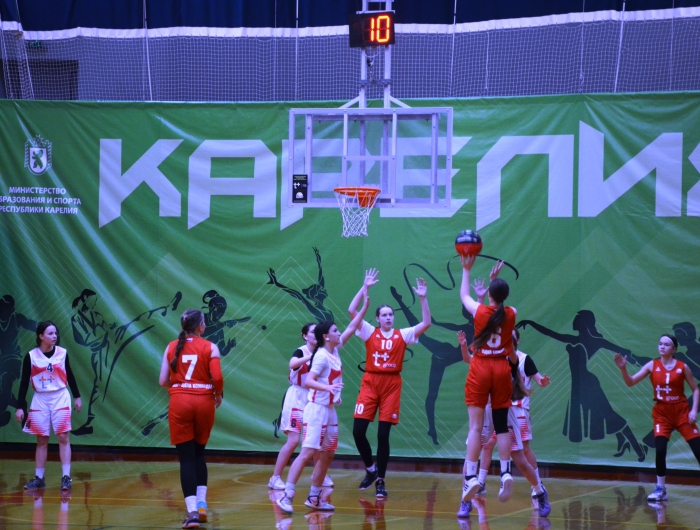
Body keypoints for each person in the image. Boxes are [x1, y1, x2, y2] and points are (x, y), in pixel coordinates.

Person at [276, 289, 370, 514]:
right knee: (308, 452)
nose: (339, 333)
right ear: (326, 336)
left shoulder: (334, 350)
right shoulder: (319, 355)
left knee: (328, 454)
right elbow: (309, 380)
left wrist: (365, 305)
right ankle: (287, 495)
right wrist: (327, 388)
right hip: (316, 410)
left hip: (329, 410)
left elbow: (352, 326)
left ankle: (314, 497)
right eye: (335, 330)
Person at [348, 268, 431, 498]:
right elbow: (352, 310)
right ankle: (370, 469)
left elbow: (426, 323)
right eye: (384, 315)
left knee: (383, 436)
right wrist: (364, 287)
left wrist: (423, 298)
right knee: (358, 431)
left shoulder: (402, 334)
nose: (388, 317)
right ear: (377, 318)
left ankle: (381, 481)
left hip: (391, 384)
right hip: (370, 382)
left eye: (390, 315)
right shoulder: (368, 331)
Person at [459, 255, 526, 506]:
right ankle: (506, 472)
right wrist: (495, 283)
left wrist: (466, 269)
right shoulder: (512, 313)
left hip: (481, 367)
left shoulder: (480, 311)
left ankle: (470, 476)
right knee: (501, 426)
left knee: (476, 427)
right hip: (501, 368)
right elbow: (499, 306)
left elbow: (464, 295)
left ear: (489, 294)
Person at [470, 329, 552, 517]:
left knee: (521, 457)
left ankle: (538, 489)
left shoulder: (518, 360)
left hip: (514, 410)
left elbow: (533, 381)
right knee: (481, 446)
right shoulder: (489, 358)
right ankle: (476, 487)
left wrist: (542, 381)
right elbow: (471, 360)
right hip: (493, 410)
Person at [613, 334, 700, 503]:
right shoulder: (652, 365)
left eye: (666, 345)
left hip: (682, 413)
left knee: (698, 449)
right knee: (660, 450)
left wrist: (694, 410)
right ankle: (661, 489)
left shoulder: (683, 367)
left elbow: (695, 389)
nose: (662, 347)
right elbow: (630, 382)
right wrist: (623, 369)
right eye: (660, 343)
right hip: (662, 414)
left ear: (673, 349)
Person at [159, 309, 224, 529]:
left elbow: (162, 380)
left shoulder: (171, 347)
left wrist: (181, 386)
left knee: (186, 459)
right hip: (204, 401)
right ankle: (202, 504)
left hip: (180, 402)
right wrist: (218, 394)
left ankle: (192, 513)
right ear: (200, 326)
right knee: (199, 454)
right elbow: (217, 377)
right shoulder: (210, 346)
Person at [15, 321, 82, 491]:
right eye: (50, 333)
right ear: (41, 336)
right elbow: (24, 382)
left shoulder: (62, 353)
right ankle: (39, 478)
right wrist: (20, 406)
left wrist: (77, 396)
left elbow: (70, 375)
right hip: (40, 399)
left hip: (60, 396)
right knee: (41, 439)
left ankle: (66, 477)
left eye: (55, 333)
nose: (54, 336)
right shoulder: (31, 356)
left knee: (63, 437)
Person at [269, 323, 333, 490]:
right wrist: (310, 358)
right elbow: (292, 364)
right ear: (305, 336)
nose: (316, 334)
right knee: (293, 441)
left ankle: (319, 475)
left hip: (313, 398)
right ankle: (275, 478)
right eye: (312, 332)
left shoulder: (323, 353)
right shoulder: (301, 351)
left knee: (316, 440)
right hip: (297, 397)